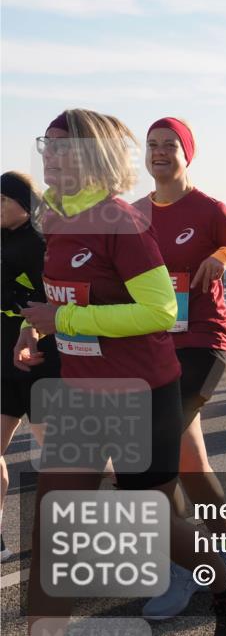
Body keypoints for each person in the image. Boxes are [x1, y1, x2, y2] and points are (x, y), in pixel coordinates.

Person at [18, 109, 226, 634]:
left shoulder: (119, 221)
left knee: (148, 522)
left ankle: (225, 579)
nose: (49, 156)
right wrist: (34, 328)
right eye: (46, 145)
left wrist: (65, 318)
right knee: (51, 521)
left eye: (62, 147)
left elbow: (160, 311)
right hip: (80, 393)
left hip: (142, 393)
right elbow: (60, 291)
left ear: (92, 157)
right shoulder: (54, 218)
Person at [138, 118, 226, 618]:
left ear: (186, 154)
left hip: (201, 345)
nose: (158, 153)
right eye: (151, 145)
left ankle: (184, 567)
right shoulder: (133, 215)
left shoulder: (210, 209)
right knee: (191, 461)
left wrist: (224, 255)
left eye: (168, 145)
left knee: (158, 459)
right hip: (151, 350)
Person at [1, 171, 58, 562]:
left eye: (3, 200)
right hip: (4, 356)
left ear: (25, 204)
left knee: (57, 458)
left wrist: (32, 332)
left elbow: (52, 301)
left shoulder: (41, 245)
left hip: (40, 357)